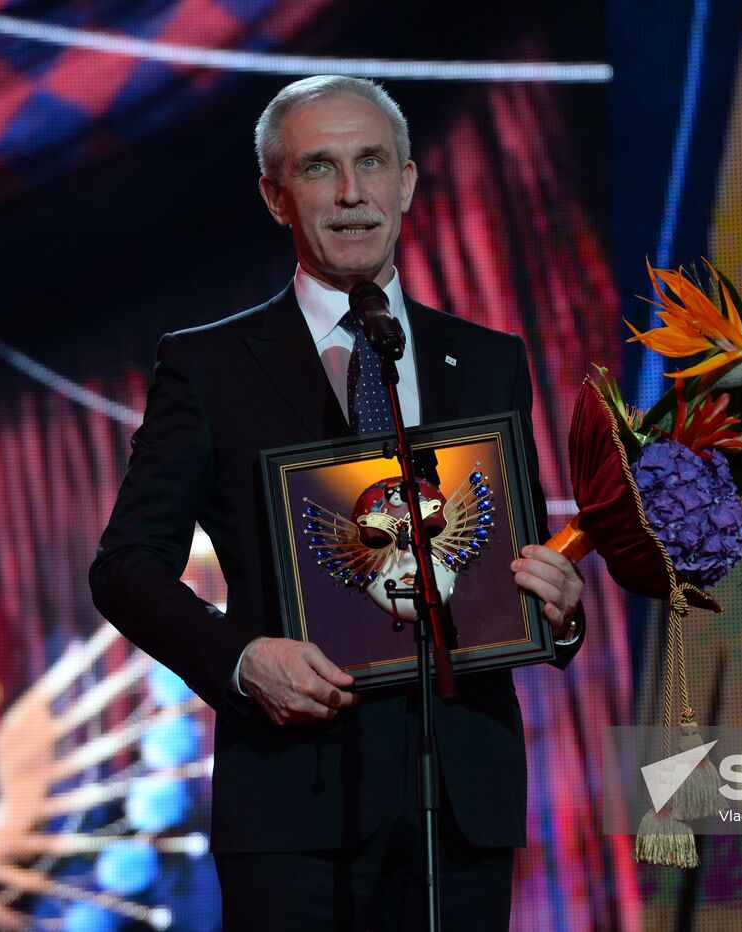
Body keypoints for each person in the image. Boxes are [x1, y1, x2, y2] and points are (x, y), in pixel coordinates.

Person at [89, 75, 585, 930]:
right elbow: (125, 568)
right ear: (275, 197)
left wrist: (558, 607)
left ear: (408, 182)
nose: (352, 193)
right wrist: (243, 660)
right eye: (320, 168)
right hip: (294, 801)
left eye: (371, 163)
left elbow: (512, 560)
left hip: (461, 799)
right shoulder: (209, 366)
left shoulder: (489, 358)